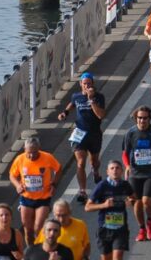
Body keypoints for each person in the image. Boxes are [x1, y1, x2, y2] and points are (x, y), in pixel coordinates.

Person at [122, 105, 151, 242]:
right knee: (136, 203)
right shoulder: (130, 133)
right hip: (135, 172)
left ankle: (150, 221)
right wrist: (127, 166)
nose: (142, 121)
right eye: (140, 118)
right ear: (136, 119)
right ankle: (142, 228)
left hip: (150, 171)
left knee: (147, 201)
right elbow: (125, 152)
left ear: (149, 119)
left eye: (145, 118)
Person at [57, 71, 105, 203]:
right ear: (80, 84)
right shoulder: (76, 96)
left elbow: (101, 115)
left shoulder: (99, 97)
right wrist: (64, 113)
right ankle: (82, 191)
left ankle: (96, 172)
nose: (87, 86)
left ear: (93, 84)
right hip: (80, 133)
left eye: (89, 84)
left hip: (94, 134)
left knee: (94, 161)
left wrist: (91, 100)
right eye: (85, 84)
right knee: (80, 162)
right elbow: (72, 103)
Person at [8, 137, 61, 245]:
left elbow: (58, 168)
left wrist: (54, 184)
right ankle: (31, 252)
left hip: (43, 198)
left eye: (35, 152)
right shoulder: (20, 159)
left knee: (38, 228)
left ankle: (40, 251)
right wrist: (18, 185)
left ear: (39, 148)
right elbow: (12, 175)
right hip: (26, 198)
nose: (32, 156)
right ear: (24, 149)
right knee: (28, 231)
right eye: (29, 153)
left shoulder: (47, 157)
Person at [85, 159, 136, 260]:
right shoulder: (102, 186)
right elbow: (87, 207)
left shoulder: (125, 185)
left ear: (122, 171)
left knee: (118, 257)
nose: (115, 170)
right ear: (107, 172)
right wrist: (104, 205)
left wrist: (131, 201)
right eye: (112, 168)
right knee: (106, 258)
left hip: (121, 228)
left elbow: (134, 198)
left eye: (117, 168)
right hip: (105, 228)